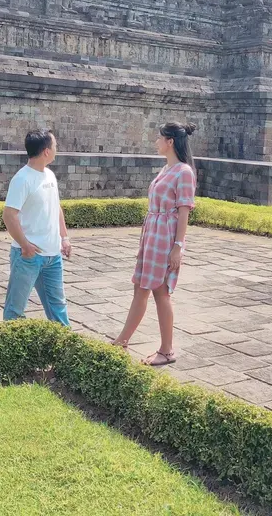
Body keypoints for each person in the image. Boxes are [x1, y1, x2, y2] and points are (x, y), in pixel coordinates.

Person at [112, 122, 197, 366]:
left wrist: (178, 247)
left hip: (165, 236)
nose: (156, 142)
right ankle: (124, 340)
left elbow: (184, 211)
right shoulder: (167, 169)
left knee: (160, 291)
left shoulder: (183, 172)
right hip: (153, 234)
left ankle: (165, 350)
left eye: (159, 138)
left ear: (170, 141)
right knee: (143, 287)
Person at [2, 129, 71, 326]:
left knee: (58, 306)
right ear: (46, 151)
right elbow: (9, 215)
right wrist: (25, 245)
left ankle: (64, 349)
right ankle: (9, 351)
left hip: (53, 255)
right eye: (55, 146)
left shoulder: (49, 175)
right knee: (15, 310)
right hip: (28, 256)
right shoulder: (22, 179)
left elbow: (55, 207)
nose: (56, 149)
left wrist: (64, 238)